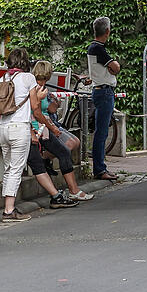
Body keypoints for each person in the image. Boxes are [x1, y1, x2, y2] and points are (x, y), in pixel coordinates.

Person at [27, 60, 90, 206]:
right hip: (39, 129)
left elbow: (45, 110)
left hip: (43, 127)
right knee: (63, 152)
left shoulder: (40, 87)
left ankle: (69, 191)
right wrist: (52, 127)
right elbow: (35, 111)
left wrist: (53, 103)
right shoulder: (35, 88)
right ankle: (73, 191)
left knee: (63, 152)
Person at [0, 48, 37, 222]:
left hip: (3, 128)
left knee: (8, 169)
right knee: (16, 169)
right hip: (20, 128)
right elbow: (35, 105)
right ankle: (9, 210)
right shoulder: (28, 78)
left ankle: (8, 206)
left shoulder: (3, 78)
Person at [87, 16, 122, 183]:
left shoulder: (93, 48)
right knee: (102, 132)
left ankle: (100, 167)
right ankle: (100, 169)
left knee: (101, 131)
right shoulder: (99, 48)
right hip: (105, 92)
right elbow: (115, 67)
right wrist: (114, 65)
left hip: (99, 90)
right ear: (107, 31)